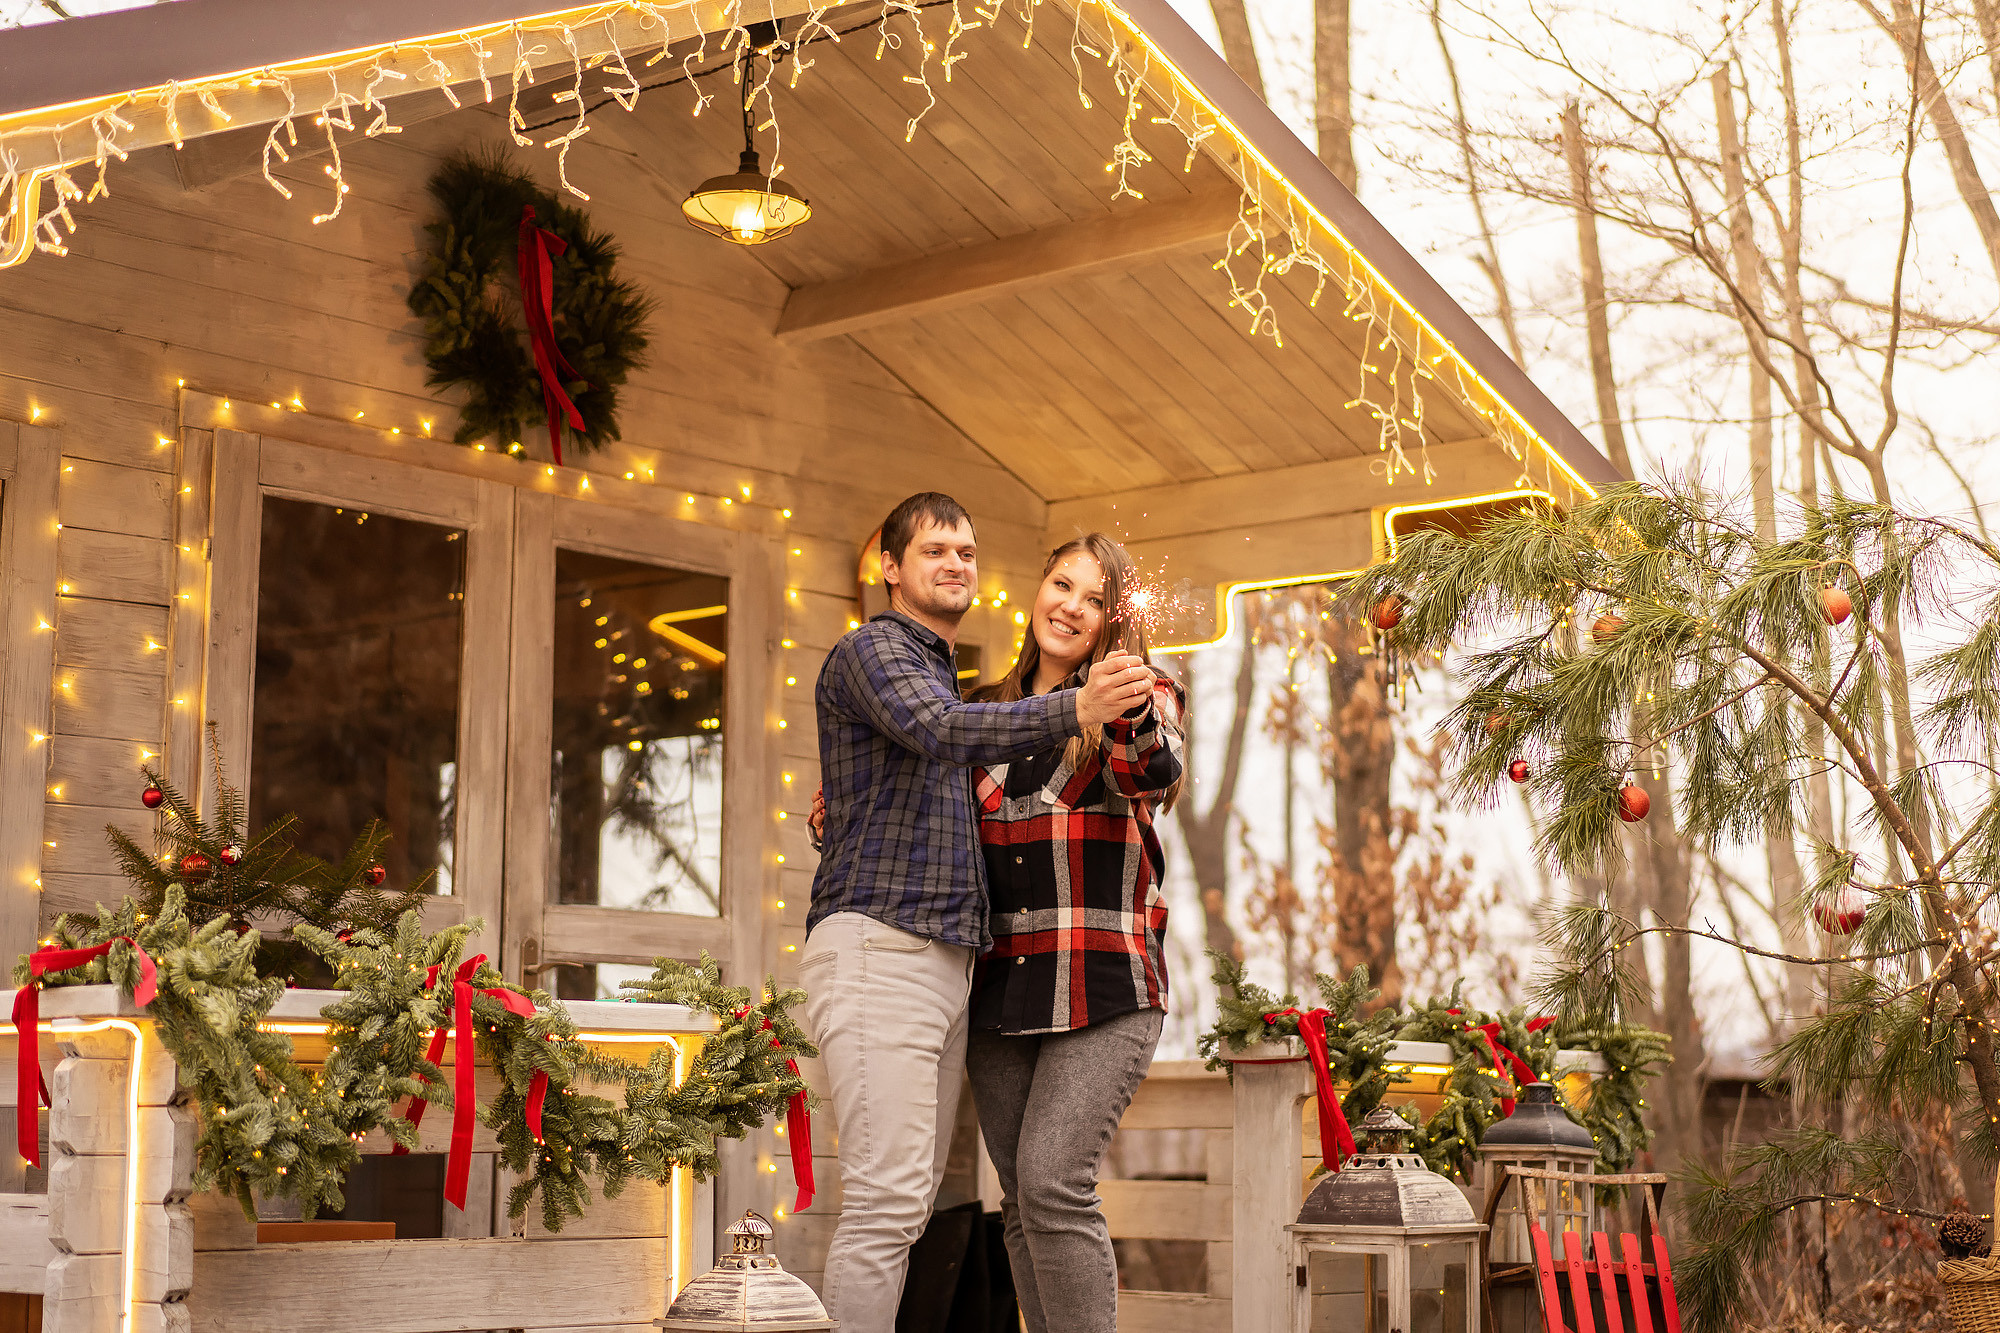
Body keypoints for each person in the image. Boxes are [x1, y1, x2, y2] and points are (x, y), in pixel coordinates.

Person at [800, 493, 1155, 1333]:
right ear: (890, 567)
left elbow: (1148, 769)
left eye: (967, 548)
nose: (956, 562)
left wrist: (847, 806)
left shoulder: (1097, 691)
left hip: (1000, 968)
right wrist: (1075, 707)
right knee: (897, 1202)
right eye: (934, 550)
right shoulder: (892, 657)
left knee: (980, 1194)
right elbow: (944, 731)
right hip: (899, 953)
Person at [961, 532, 1185, 1333]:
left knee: (1055, 1181)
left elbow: (1148, 772)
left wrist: (1123, 698)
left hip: (1104, 981)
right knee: (1022, 1197)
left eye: (1095, 599)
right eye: (1063, 585)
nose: (1072, 607)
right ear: (1037, 588)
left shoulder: (1140, 689)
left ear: (1112, 622)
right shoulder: (983, 710)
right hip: (999, 991)